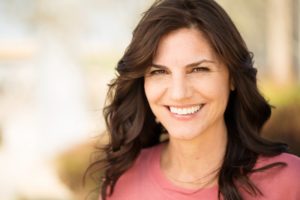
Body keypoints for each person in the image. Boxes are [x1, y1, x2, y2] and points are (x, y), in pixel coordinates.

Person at [90, 0, 300, 199]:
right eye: (159, 72)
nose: (179, 93)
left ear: (232, 78)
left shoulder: (291, 182)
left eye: (199, 69)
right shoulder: (122, 181)